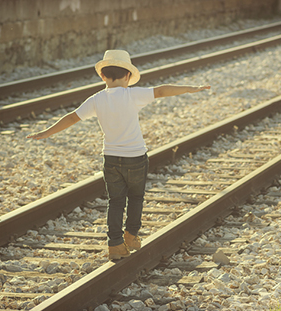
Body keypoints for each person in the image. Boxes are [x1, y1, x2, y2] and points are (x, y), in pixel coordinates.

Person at [27, 50, 210, 260]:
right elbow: (160, 91)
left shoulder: (96, 99)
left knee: (115, 201)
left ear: (103, 76)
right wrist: (191, 88)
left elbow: (72, 117)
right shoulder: (132, 94)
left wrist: (45, 132)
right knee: (136, 197)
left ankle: (115, 244)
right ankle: (131, 235)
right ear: (128, 77)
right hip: (136, 158)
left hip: (111, 159)